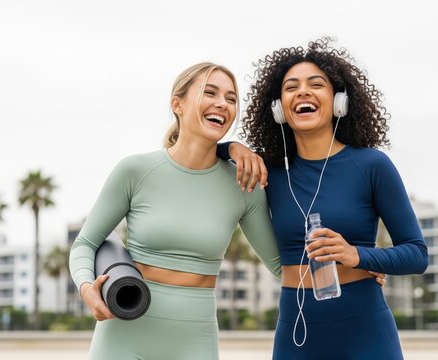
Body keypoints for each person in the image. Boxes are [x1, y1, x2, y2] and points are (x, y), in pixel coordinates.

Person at [220, 37, 428, 359]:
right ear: (278, 109)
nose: (303, 91)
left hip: (366, 329)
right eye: (291, 87)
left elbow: (416, 254)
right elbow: (203, 153)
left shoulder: (372, 165)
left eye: (316, 84)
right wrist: (233, 147)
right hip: (296, 331)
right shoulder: (268, 171)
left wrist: (357, 255)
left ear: (338, 101)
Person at [68, 62, 282, 360]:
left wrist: (361, 267)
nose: (222, 103)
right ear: (177, 104)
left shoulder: (244, 185)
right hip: (122, 335)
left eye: (231, 99)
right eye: (210, 92)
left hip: (195, 341)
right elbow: (85, 244)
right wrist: (86, 286)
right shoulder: (135, 170)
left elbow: (282, 268)